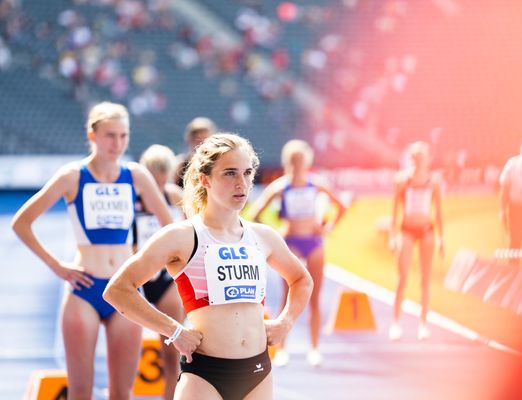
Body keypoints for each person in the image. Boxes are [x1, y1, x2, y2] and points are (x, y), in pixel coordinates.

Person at [103, 133, 313, 399]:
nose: (242, 183)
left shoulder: (263, 236)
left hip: (258, 371)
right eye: (230, 173)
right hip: (205, 376)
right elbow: (118, 290)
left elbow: (301, 280)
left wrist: (286, 321)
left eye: (247, 173)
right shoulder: (181, 236)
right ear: (205, 179)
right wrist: (174, 330)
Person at [11, 102, 173, 399]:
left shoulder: (136, 175)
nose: (118, 144)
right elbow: (21, 223)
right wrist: (57, 266)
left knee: (121, 393)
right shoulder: (72, 176)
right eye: (110, 135)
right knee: (81, 391)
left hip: (125, 289)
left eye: (123, 136)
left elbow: (169, 227)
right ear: (92, 135)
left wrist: (148, 264)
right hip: (84, 288)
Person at [248, 139, 347, 367]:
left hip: (313, 242)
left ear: (307, 162)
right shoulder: (281, 187)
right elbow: (255, 213)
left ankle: (314, 348)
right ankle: (283, 349)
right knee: (287, 297)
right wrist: (272, 233)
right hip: (290, 242)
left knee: (314, 298)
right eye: (293, 162)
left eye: (301, 161)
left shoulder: (316, 185)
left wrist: (327, 227)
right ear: (287, 163)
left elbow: (341, 206)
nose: (297, 165)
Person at [134, 144, 186, 400]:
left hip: (166, 280)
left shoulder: (176, 197)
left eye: (163, 173)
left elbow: (189, 237)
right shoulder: (132, 199)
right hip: (135, 279)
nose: (158, 179)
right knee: (131, 351)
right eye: (153, 173)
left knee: (171, 352)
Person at [388, 141, 444, 341]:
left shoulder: (434, 181)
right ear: (412, 159)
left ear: (428, 158)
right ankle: (396, 322)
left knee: (425, 279)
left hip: (427, 231)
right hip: (407, 231)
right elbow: (395, 210)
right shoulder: (402, 180)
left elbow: (438, 210)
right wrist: (392, 236)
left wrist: (442, 238)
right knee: (402, 277)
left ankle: (423, 324)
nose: (420, 161)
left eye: (423, 157)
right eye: (416, 157)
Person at [174, 116, 217, 188]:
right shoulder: (180, 164)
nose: (200, 145)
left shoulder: (217, 163)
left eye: (204, 140)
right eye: (197, 140)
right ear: (190, 140)